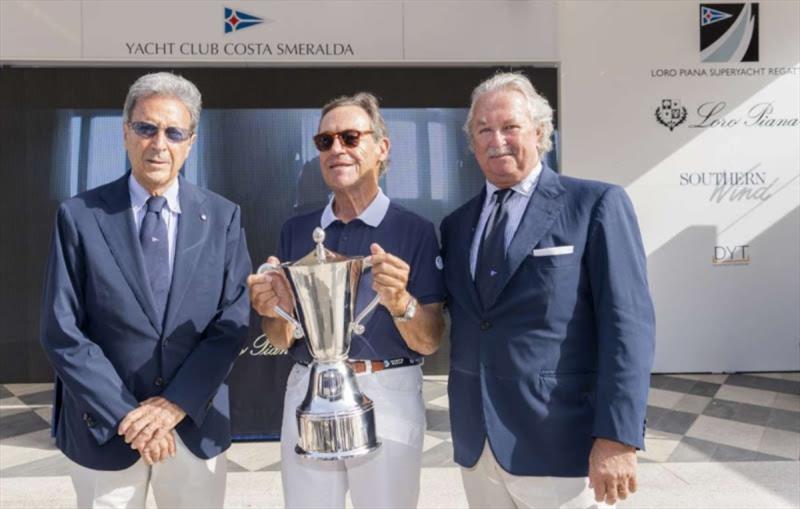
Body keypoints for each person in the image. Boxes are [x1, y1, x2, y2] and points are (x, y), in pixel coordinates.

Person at [440, 72, 655, 508]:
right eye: (483, 129)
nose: (496, 139)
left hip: (561, 444)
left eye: (509, 127)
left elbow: (628, 327)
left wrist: (617, 437)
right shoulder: (457, 225)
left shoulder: (595, 205)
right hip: (478, 446)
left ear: (540, 132)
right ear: (471, 142)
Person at [39, 72, 252, 508]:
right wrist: (128, 416)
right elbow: (62, 330)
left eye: (174, 132)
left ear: (190, 142)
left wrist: (173, 406)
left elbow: (231, 323)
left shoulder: (224, 217)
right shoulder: (79, 216)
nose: (159, 144)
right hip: (103, 429)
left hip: (193, 425)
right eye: (146, 128)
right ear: (125, 132)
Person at [247, 92, 445, 509]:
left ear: (381, 148)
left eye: (351, 138)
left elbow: (428, 341)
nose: (337, 149)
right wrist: (273, 310)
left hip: (387, 390)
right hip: (309, 387)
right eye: (325, 141)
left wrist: (400, 302)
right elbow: (282, 338)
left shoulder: (415, 231)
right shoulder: (296, 231)